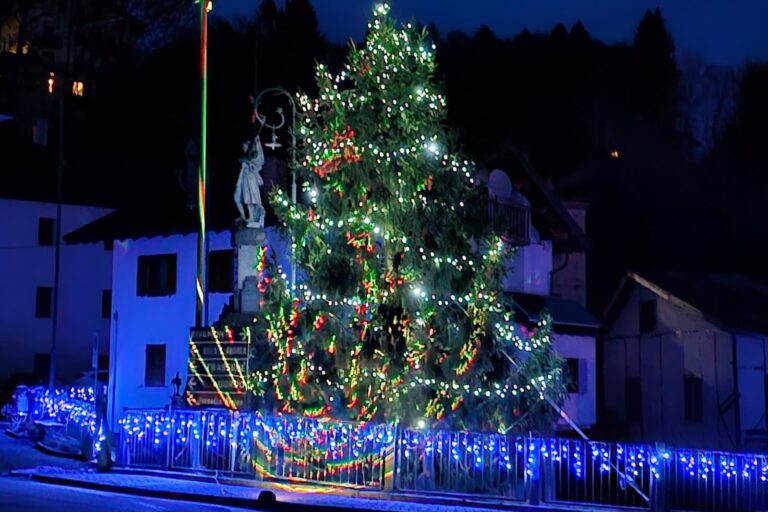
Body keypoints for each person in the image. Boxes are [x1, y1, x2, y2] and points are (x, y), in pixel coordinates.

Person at [234, 136, 266, 228]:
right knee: (246, 198)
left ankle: (253, 217)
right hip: (245, 179)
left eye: (244, 147)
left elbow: (258, 160)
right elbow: (241, 160)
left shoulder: (252, 158)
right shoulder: (245, 158)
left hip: (251, 180)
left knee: (252, 198)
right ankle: (248, 217)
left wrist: (257, 143)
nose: (243, 148)